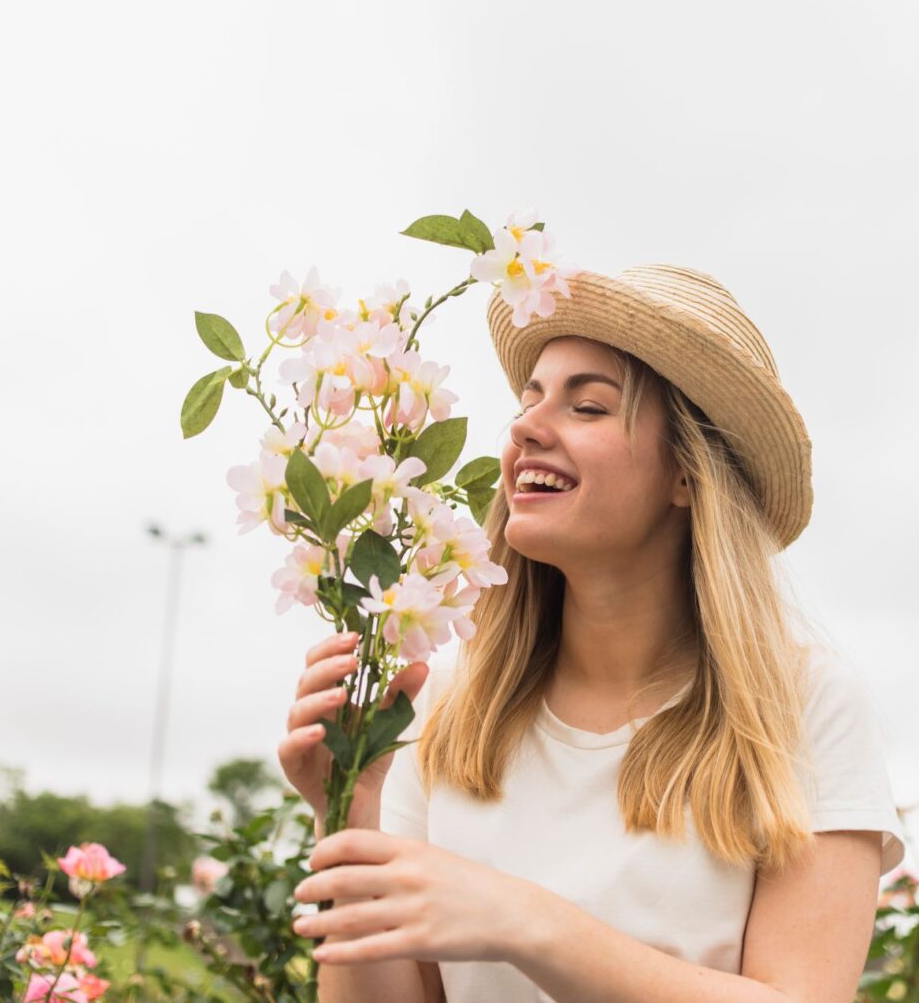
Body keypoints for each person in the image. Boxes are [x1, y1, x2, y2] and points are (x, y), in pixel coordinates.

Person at [277, 264, 908, 1003]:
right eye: (530, 399)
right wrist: (349, 812)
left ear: (686, 474)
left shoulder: (805, 705)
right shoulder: (443, 707)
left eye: (589, 407)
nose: (524, 428)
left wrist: (527, 921)